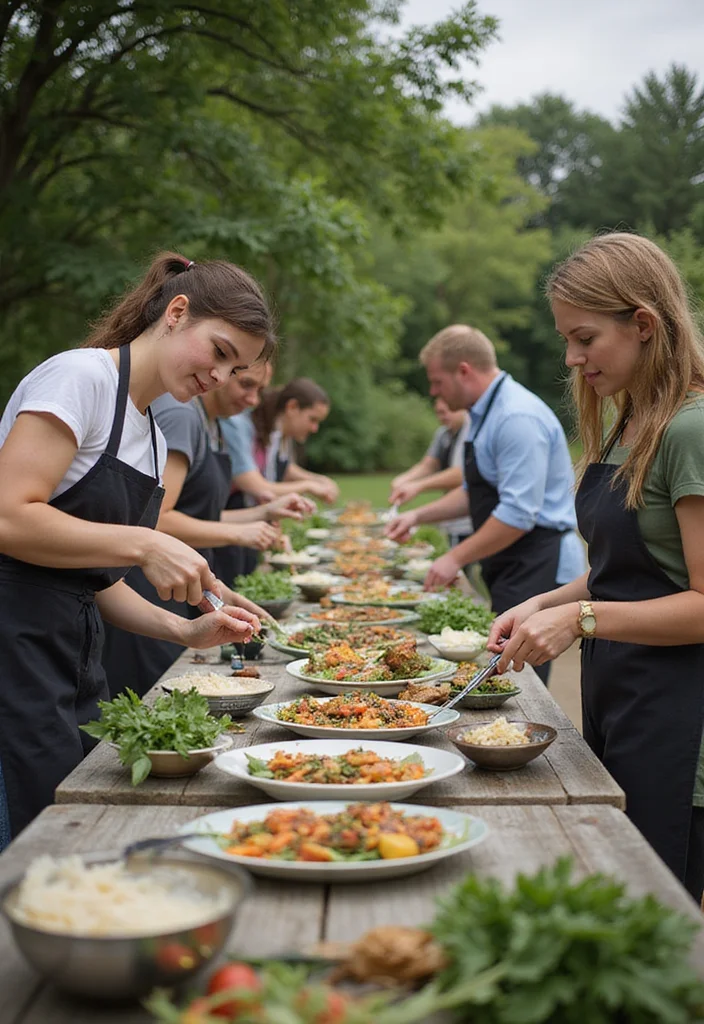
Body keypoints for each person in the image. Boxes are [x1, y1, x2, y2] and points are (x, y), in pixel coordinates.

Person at [0, 252, 272, 845]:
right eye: (221, 352)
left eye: (239, 368)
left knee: (74, 842)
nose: (222, 378)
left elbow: (96, 579)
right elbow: (8, 516)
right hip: (12, 667)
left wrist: (185, 632)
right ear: (176, 312)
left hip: (71, 671)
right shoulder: (81, 378)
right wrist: (146, 540)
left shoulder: (148, 430)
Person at [486, 232, 704, 899]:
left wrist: (579, 618)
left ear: (643, 324)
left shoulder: (691, 430)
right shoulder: (629, 421)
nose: (572, 358)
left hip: (679, 712)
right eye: (566, 341)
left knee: (653, 907)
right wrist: (545, 603)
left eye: (584, 338)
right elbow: (627, 568)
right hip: (620, 690)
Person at [101, 356, 314, 697]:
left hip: (183, 589)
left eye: (260, 389)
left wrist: (262, 514)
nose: (254, 400)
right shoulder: (183, 418)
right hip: (146, 593)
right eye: (245, 383)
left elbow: (201, 515)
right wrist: (238, 533)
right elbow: (160, 518)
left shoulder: (211, 426)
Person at [386, 325, 585, 683]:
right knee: (498, 667)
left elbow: (517, 514)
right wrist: (419, 514)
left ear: (463, 371)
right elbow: (475, 490)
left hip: (535, 561)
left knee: (519, 680)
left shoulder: (516, 417)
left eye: (436, 381)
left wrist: (455, 558)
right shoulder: (484, 413)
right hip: (511, 560)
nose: (434, 393)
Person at [390, 397, 472, 548]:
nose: (443, 417)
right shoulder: (443, 434)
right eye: (439, 413)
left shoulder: (471, 432)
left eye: (446, 412)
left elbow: (460, 474)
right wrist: (403, 480)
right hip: (449, 514)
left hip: (468, 517)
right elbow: (428, 465)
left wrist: (418, 486)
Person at [251, 377, 339, 501]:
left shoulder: (283, 436)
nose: (315, 429)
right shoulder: (259, 432)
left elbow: (284, 468)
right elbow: (258, 486)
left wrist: (318, 480)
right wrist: (308, 485)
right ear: (292, 407)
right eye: (312, 419)